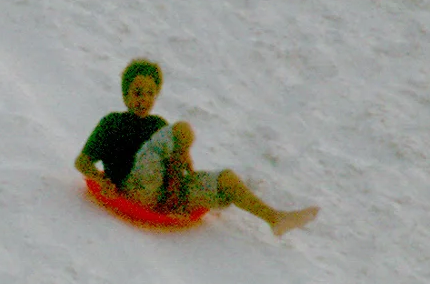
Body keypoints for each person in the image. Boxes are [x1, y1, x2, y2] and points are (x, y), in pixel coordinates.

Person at [74, 58, 316, 234]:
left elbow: (176, 165)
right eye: (137, 93)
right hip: (131, 189)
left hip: (160, 195)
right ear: (125, 95)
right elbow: (82, 162)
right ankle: (174, 195)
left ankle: (274, 217)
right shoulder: (112, 122)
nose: (143, 99)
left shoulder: (158, 124)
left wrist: (181, 191)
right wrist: (101, 179)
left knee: (226, 179)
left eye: (150, 93)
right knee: (181, 130)